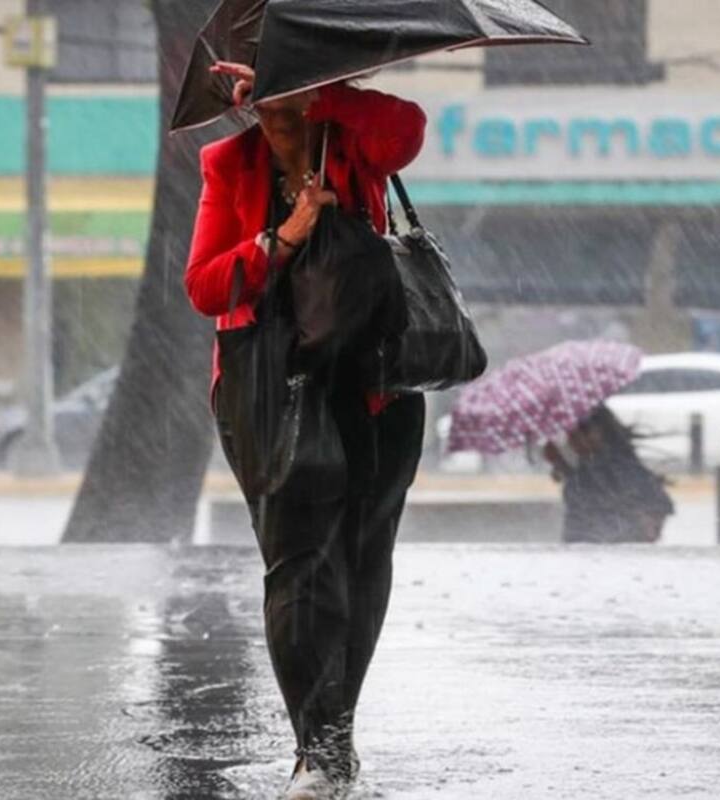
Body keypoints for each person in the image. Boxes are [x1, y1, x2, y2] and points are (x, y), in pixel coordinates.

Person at [183, 61, 427, 800]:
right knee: (298, 567)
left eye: (284, 101)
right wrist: (282, 238)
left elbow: (409, 129)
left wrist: (318, 90)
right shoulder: (229, 165)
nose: (274, 118)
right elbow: (203, 285)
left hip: (375, 385)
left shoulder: (353, 142)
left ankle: (335, 734)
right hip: (269, 390)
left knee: (361, 561)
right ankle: (315, 750)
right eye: (262, 105)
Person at [542, 406, 674, 543]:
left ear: (602, 431)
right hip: (583, 549)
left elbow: (657, 505)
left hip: (606, 550)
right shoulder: (588, 465)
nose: (576, 437)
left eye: (584, 430)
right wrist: (561, 464)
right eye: (571, 433)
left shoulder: (618, 465)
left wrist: (642, 527)